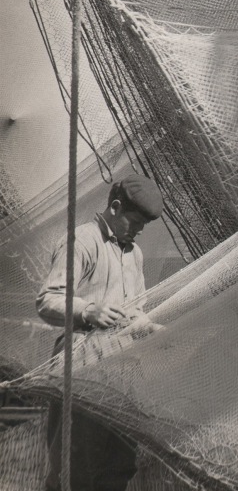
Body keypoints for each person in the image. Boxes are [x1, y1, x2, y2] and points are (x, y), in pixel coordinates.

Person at [36, 173, 164, 491]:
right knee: (72, 466)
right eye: (135, 222)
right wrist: (88, 311)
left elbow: (135, 310)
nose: (138, 231)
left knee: (118, 464)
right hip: (82, 368)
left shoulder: (134, 254)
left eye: (143, 226)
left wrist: (150, 327)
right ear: (116, 207)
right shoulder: (82, 240)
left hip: (122, 375)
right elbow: (47, 300)